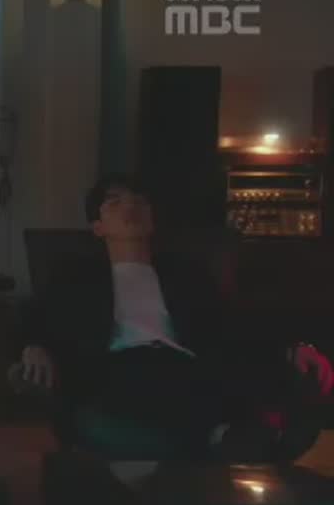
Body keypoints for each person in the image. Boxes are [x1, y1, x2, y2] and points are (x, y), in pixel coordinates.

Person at [16, 174, 333, 460]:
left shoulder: (186, 275)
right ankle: (225, 437)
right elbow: (34, 316)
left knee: (213, 375)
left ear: (152, 220)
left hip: (186, 366)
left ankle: (236, 435)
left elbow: (231, 324)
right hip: (117, 369)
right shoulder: (77, 277)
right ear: (98, 227)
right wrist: (32, 346)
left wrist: (290, 348)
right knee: (152, 382)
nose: (130, 206)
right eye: (115, 202)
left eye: (140, 201)